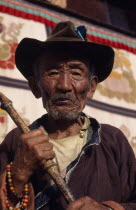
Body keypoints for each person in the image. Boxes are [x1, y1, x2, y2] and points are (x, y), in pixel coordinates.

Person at [0, 21, 136, 210]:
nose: (64, 85)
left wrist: (107, 209)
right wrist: (19, 172)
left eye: (76, 72)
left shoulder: (112, 141)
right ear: (35, 86)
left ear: (92, 87)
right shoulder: (17, 142)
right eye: (53, 72)